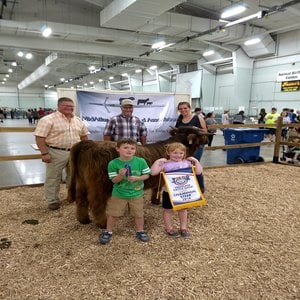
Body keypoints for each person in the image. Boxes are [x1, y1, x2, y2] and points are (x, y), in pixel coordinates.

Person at [34, 97, 89, 210]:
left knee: (73, 176)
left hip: (75, 152)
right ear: (59, 106)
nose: (69, 108)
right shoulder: (48, 120)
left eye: (71, 106)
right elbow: (40, 137)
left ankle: (72, 196)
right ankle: (52, 200)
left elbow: (84, 136)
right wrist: (44, 153)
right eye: (66, 106)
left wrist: (85, 150)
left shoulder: (78, 120)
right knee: (53, 177)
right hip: (55, 151)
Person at [99, 139, 151, 245]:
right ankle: (108, 231)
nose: (129, 150)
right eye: (125, 147)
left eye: (132, 148)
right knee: (113, 214)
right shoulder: (113, 163)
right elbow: (113, 180)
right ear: (118, 149)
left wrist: (137, 178)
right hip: (119, 194)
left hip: (136, 193)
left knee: (138, 213)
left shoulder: (141, 161)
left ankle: (140, 231)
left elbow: (147, 175)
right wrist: (120, 175)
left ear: (135, 150)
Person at [151, 142, 203, 238]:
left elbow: (199, 171)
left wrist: (196, 161)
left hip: (183, 191)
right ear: (168, 153)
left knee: (183, 210)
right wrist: (157, 162)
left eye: (181, 153)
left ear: (184, 154)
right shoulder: (165, 164)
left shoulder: (187, 163)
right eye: (175, 153)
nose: (178, 155)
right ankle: (169, 228)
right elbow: (153, 172)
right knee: (168, 210)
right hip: (169, 192)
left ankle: (183, 227)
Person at [175, 101, 207, 192]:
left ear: (189, 108)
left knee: (195, 164)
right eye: (181, 109)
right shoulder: (180, 119)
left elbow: (204, 131)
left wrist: (197, 130)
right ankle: (189, 186)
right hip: (183, 147)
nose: (183, 110)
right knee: (185, 166)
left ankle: (201, 187)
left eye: (185, 108)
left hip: (196, 145)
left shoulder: (197, 117)